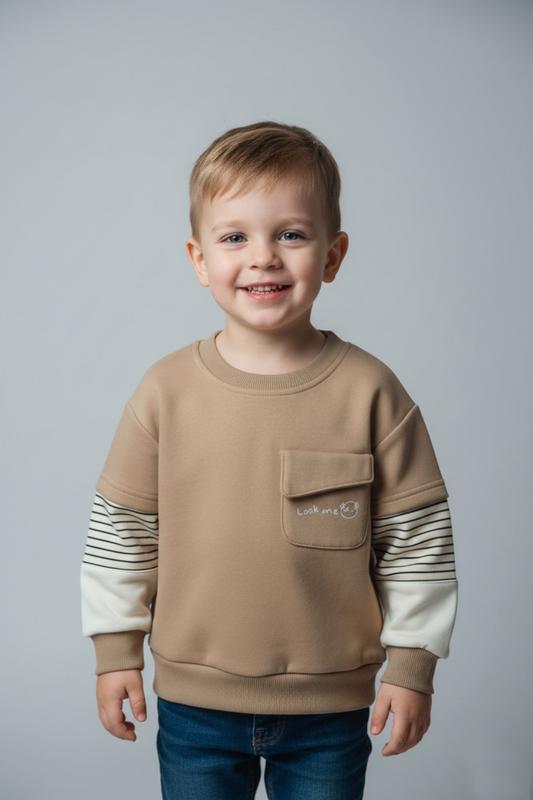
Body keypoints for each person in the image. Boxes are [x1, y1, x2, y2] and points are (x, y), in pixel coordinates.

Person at [80, 120, 458, 800]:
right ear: (199, 259)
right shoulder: (164, 392)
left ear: (333, 255)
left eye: (290, 234)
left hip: (331, 709)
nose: (263, 258)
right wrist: (114, 653)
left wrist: (411, 668)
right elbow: (121, 531)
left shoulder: (371, 392)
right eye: (234, 238)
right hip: (195, 706)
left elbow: (417, 541)